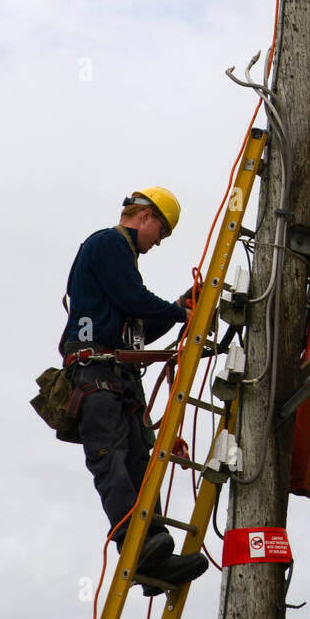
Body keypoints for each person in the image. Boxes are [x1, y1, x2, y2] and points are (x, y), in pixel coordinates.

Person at [60, 186, 208, 595]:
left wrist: (180, 310)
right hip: (96, 377)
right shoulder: (108, 243)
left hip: (117, 376)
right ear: (145, 217)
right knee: (112, 459)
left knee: (140, 463)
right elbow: (134, 298)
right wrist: (181, 312)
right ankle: (137, 547)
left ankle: (154, 555)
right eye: (160, 233)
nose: (157, 243)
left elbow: (136, 335)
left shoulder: (121, 260)